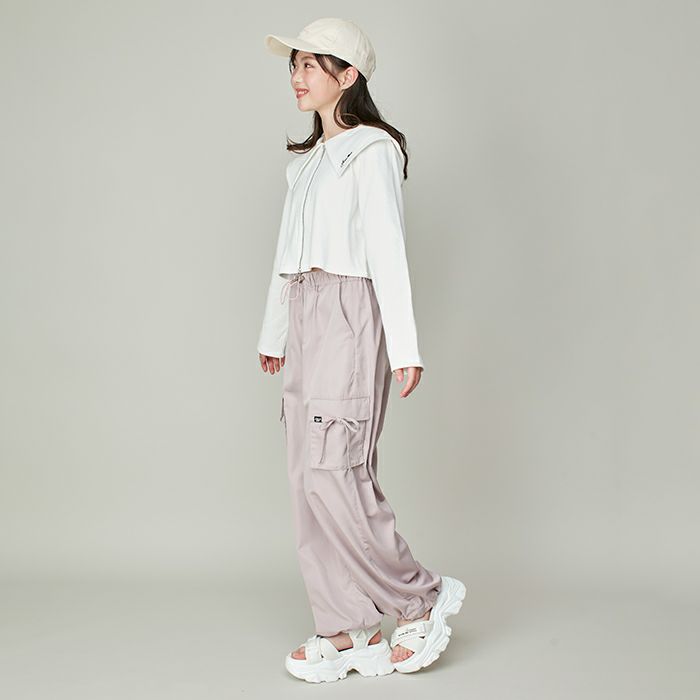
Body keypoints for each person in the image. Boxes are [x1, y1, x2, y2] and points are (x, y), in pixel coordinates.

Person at [256, 17, 466, 683]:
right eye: (294, 65)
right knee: (306, 478)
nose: (297, 76)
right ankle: (345, 627)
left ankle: (419, 598)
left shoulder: (372, 151)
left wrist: (404, 346)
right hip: (307, 313)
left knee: (337, 470)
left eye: (310, 65)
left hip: (350, 314)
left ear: (347, 76)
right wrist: (275, 333)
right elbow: (286, 257)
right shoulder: (305, 165)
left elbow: (386, 250)